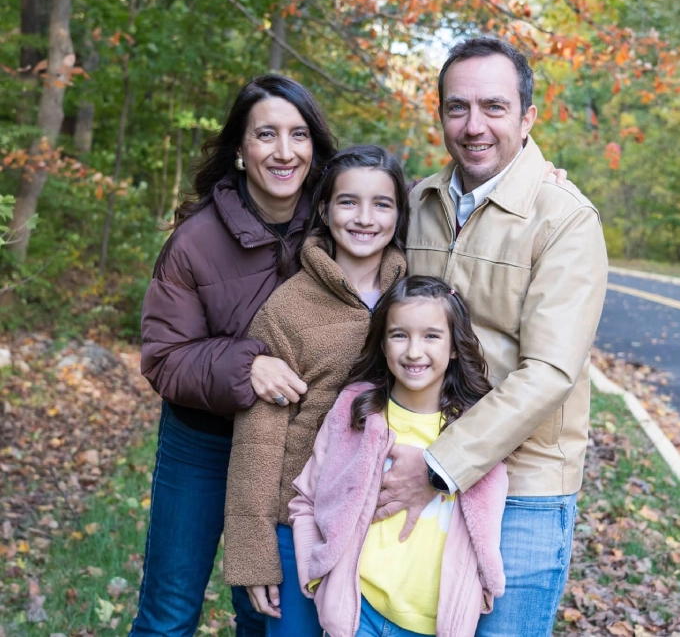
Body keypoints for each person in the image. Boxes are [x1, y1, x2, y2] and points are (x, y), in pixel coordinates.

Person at [377, 36, 608, 636]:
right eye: (458, 107)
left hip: (524, 488)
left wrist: (439, 465)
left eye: (494, 107)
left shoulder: (565, 219)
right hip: (419, 457)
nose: (473, 125)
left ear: (527, 118)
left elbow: (550, 372)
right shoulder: (419, 203)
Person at [131, 75, 338, 636]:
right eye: (266, 134)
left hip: (291, 449)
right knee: (169, 612)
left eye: (299, 134)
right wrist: (248, 366)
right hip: (202, 442)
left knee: (265, 612)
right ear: (241, 150)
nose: (284, 151)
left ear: (315, 147)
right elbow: (164, 357)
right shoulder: (194, 241)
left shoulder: (338, 223)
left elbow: (405, 202)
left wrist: (537, 176)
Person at [223, 145, 409, 636]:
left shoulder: (413, 297)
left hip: (389, 521)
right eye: (348, 202)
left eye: (382, 204)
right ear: (324, 210)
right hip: (301, 523)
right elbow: (259, 438)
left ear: (399, 214)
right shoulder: (288, 308)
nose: (365, 218)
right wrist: (253, 551)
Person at [289, 276, 509, 637]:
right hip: (357, 613)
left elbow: (484, 530)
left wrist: (479, 592)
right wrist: (320, 578)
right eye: (399, 335)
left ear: (455, 346)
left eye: (431, 336)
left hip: (432, 625)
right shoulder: (357, 412)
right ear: (382, 342)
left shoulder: (475, 434)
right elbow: (306, 500)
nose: (414, 351)